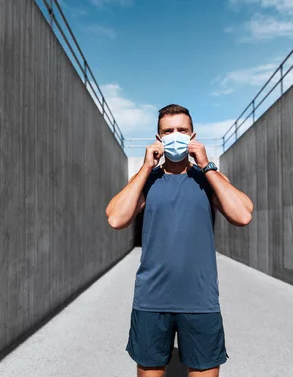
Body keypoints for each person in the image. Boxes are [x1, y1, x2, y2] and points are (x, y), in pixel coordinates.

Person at [105, 104, 254, 377]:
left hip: (200, 301)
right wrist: (145, 167)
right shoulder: (146, 181)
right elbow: (115, 218)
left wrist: (207, 165)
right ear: (159, 138)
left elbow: (243, 214)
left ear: (193, 135)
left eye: (182, 130)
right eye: (168, 131)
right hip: (151, 301)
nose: (175, 135)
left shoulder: (208, 178)